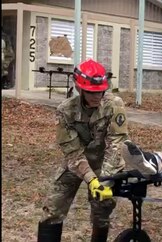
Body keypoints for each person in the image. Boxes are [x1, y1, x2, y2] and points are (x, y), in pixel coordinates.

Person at [37, 59, 129, 242]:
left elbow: (116, 143)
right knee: (53, 206)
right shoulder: (65, 111)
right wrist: (90, 179)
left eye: (100, 91)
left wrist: (105, 178)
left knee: (102, 210)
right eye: (91, 92)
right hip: (76, 163)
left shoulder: (114, 104)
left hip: (105, 163)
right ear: (80, 90)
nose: (97, 96)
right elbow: (72, 152)